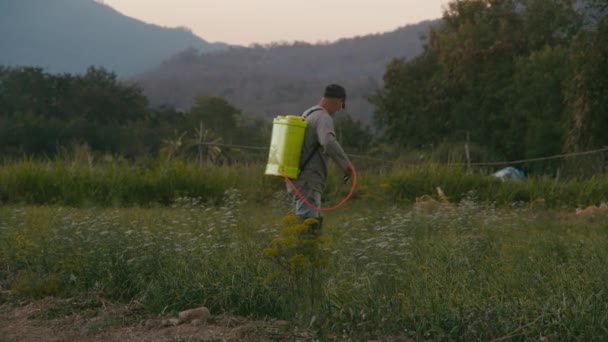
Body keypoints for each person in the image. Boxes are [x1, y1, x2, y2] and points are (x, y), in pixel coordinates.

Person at [287, 84, 354, 234]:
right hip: (309, 178)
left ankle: (306, 251)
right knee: (309, 221)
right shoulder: (323, 118)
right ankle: (306, 252)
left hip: (297, 176)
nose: (338, 110)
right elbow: (328, 142)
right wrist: (346, 166)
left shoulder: (309, 113)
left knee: (308, 217)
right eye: (340, 107)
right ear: (339, 101)